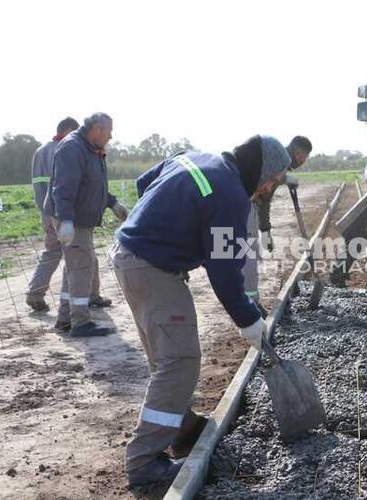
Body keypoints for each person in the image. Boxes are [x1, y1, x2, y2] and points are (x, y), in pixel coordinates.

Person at [110, 136, 292, 487]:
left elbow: (144, 183)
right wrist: (248, 321)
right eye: (273, 178)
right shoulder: (230, 196)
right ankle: (144, 463)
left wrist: (160, 223)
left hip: (128, 255)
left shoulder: (194, 158)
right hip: (151, 268)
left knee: (166, 357)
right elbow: (223, 272)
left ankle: (180, 427)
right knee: (180, 360)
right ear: (261, 170)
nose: (270, 187)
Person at [44, 113, 128, 336]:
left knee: (75, 267)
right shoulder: (72, 148)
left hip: (79, 218)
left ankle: (65, 319)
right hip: (72, 218)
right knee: (82, 266)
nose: (110, 137)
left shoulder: (91, 149)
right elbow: (63, 189)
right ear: (98, 129)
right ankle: (80, 323)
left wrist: (112, 202)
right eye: (109, 132)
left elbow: (93, 184)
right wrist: (67, 222)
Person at [25, 117, 113, 313]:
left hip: (51, 210)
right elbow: (62, 187)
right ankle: (89, 298)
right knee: (83, 258)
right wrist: (62, 218)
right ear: (67, 130)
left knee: (57, 254)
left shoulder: (42, 150)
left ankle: (35, 293)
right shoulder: (71, 148)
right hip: (64, 213)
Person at [243, 136, 312, 311]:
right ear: (299, 153)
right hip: (246, 204)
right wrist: (265, 230)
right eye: (304, 157)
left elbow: (265, 199)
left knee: (250, 254)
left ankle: (250, 299)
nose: (304, 162)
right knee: (250, 255)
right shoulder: (279, 162)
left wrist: (265, 230)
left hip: (249, 205)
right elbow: (264, 198)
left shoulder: (282, 162)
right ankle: (251, 304)